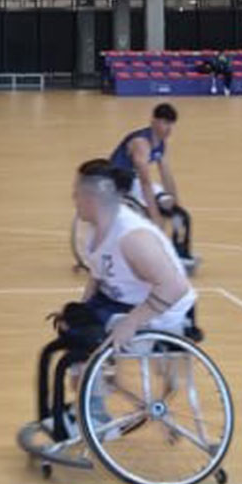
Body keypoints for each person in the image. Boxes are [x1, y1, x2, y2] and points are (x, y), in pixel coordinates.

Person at [36, 159, 198, 442]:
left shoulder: (133, 237)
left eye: (77, 192)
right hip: (123, 302)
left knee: (91, 339)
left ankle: (97, 415)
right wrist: (80, 311)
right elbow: (98, 275)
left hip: (162, 312)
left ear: (92, 197)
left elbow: (175, 286)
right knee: (75, 326)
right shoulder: (96, 230)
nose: (73, 197)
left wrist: (131, 323)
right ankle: (89, 404)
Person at [109, 103, 194, 264]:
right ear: (154, 121)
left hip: (134, 181)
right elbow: (145, 181)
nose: (169, 129)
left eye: (171, 124)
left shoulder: (160, 143)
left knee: (180, 215)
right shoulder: (141, 143)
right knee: (156, 213)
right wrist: (155, 215)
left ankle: (179, 251)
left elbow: (166, 175)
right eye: (165, 123)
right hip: (120, 182)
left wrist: (175, 203)